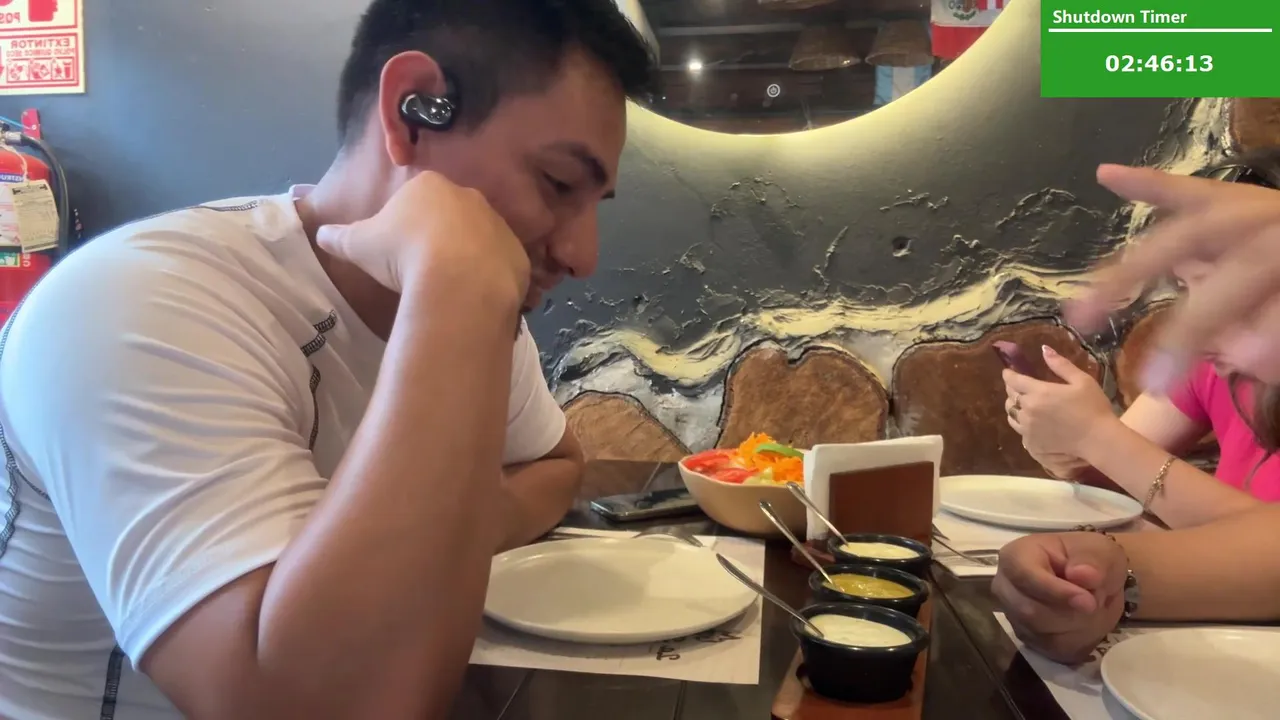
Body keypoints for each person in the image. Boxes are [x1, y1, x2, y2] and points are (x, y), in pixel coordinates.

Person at [0, 2, 656, 718]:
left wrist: (449, 538)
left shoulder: (469, 303)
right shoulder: (141, 303)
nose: (583, 255)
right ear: (413, 111)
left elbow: (556, 464)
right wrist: (457, 296)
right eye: (558, 183)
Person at [996, 152, 1280, 665]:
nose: (1201, 319)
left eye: (1231, 290)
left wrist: (1096, 436)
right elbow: (1110, 473)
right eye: (1189, 289)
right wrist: (1061, 436)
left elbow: (1257, 531)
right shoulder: (1218, 370)